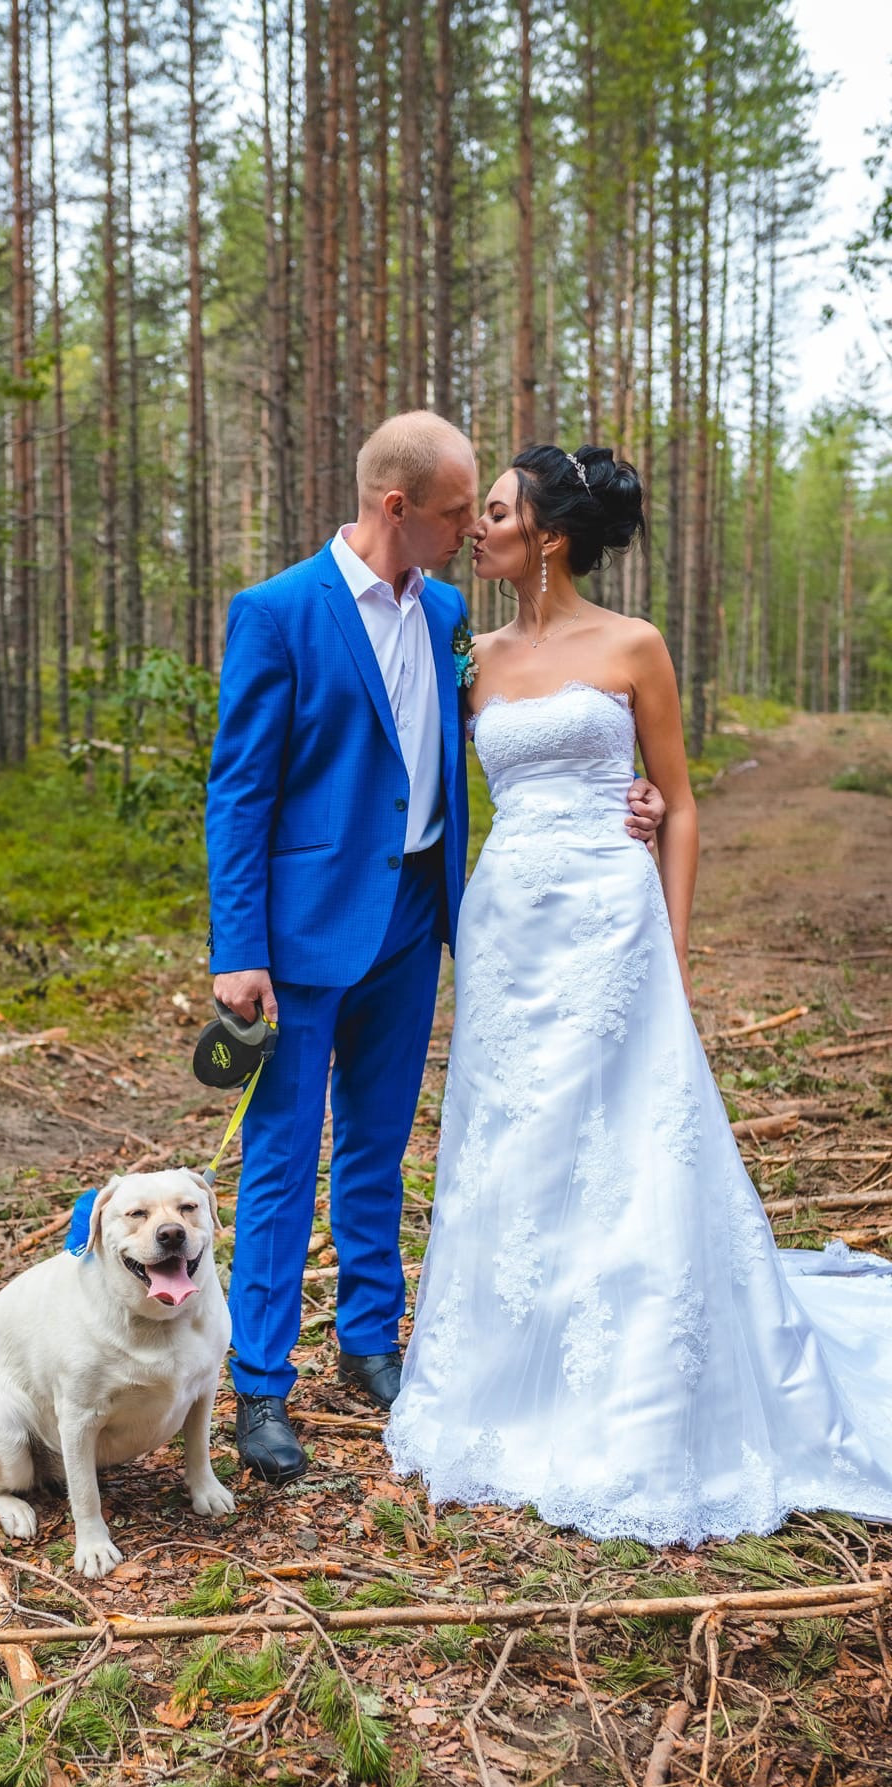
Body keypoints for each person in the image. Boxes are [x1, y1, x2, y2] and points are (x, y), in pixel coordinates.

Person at [387, 442, 892, 1544]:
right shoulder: (469, 652)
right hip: (508, 925)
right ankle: (501, 1382)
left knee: (628, 1143)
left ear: (549, 536)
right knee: (511, 1142)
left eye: (502, 512)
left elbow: (678, 798)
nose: (482, 528)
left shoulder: (631, 646)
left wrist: (666, 940)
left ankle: (640, 1392)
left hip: (613, 924)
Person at [205, 413, 665, 1484]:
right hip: (301, 930)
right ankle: (259, 1386)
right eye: (459, 510)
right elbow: (238, 792)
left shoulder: (450, 612)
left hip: (417, 920)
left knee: (376, 1144)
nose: (473, 529)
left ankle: (370, 1339)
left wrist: (619, 792)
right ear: (397, 508)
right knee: (281, 1157)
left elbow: (527, 725)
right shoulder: (276, 615)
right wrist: (239, 950)